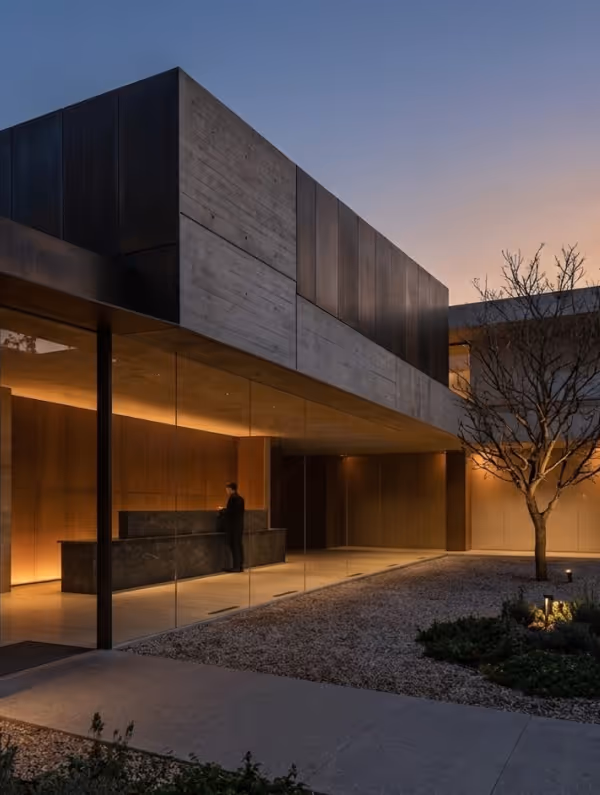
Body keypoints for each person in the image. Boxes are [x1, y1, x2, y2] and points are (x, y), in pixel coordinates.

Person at [222, 481, 245, 572]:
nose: (226, 491)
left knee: (234, 545)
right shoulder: (241, 499)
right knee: (238, 545)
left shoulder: (232, 498)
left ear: (231, 489)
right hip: (239, 525)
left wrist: (222, 511)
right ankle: (240, 565)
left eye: (227, 489)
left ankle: (236, 567)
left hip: (233, 526)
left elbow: (230, 512)